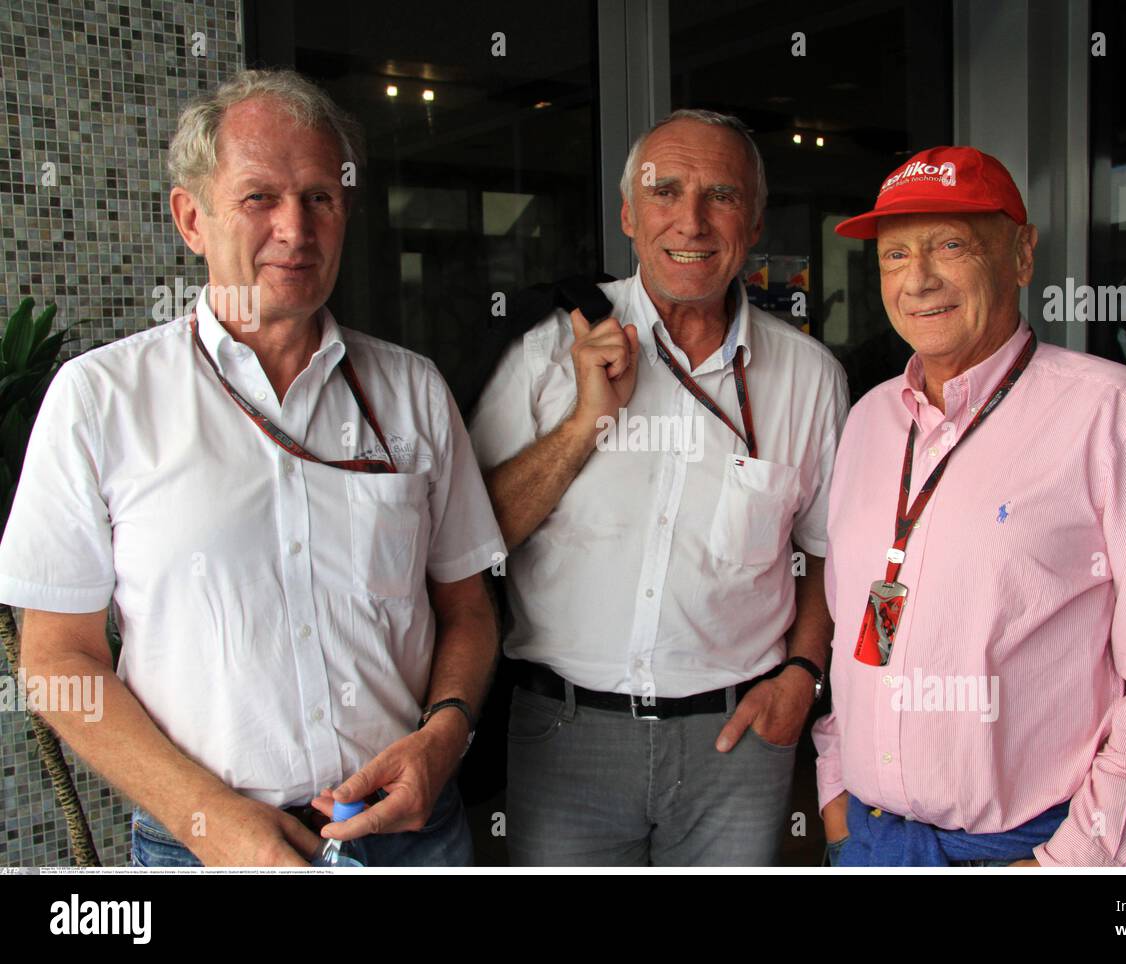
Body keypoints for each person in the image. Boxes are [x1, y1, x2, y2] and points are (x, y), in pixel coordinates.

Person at [0, 69, 505, 867]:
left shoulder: (412, 391)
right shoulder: (101, 399)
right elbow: (57, 658)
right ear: (190, 218)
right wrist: (210, 820)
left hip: (409, 832)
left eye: (320, 199)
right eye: (258, 198)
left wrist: (444, 735)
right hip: (200, 848)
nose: (295, 231)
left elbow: (467, 609)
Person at [814, 146, 1126, 866]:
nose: (917, 280)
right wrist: (835, 797)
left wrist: (1064, 863)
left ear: (1020, 253)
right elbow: (861, 634)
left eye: (950, 246)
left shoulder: (1115, 417)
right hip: (867, 837)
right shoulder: (869, 422)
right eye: (894, 255)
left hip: (1025, 847)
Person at [470, 109, 848, 865]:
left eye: (722, 196)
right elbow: (476, 540)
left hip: (738, 740)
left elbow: (828, 555)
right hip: (565, 738)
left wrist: (802, 679)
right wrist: (584, 422)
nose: (693, 221)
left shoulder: (809, 377)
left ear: (756, 218)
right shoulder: (550, 352)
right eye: (666, 191)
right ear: (629, 215)